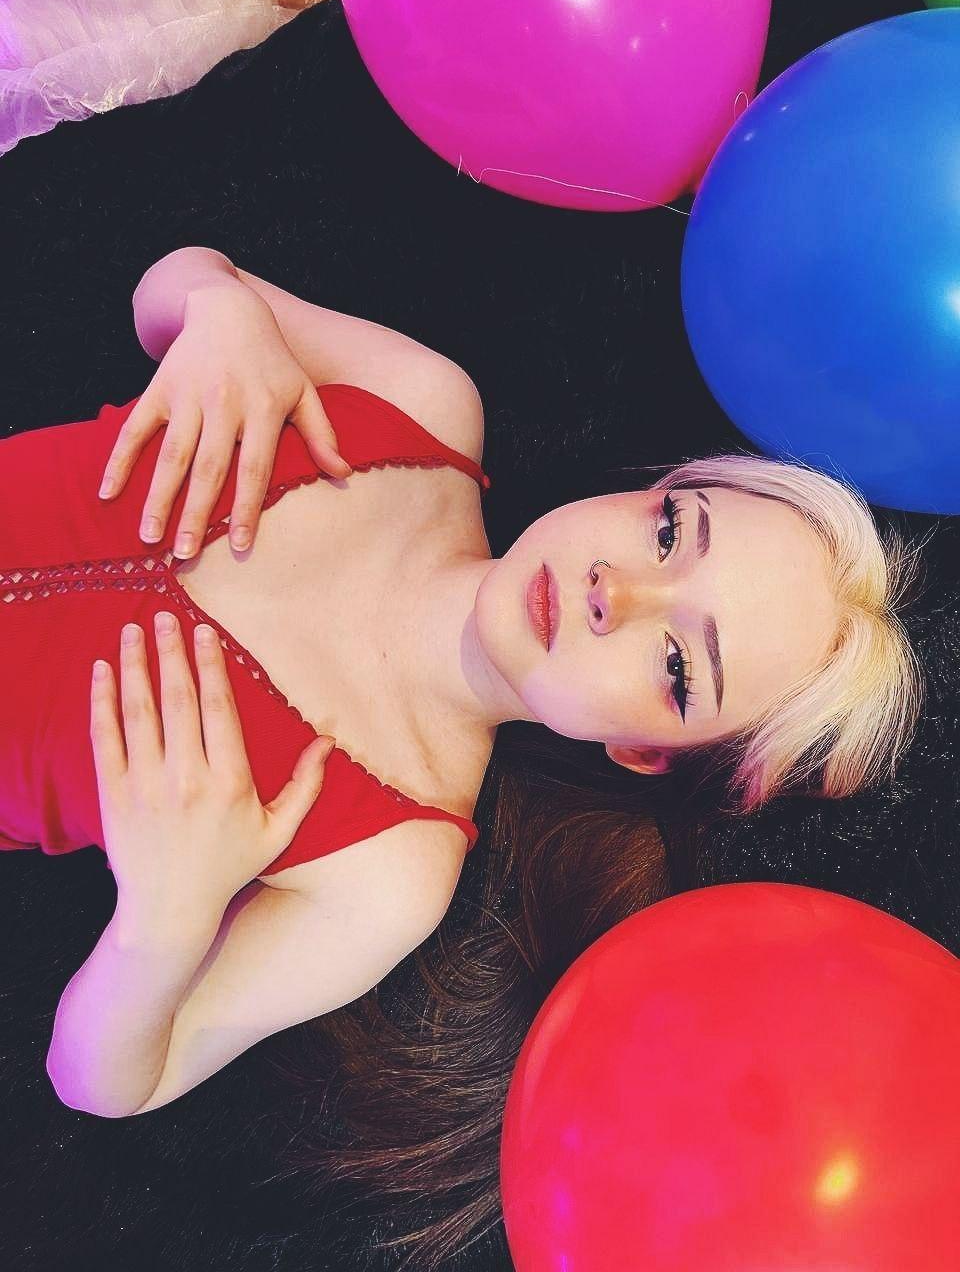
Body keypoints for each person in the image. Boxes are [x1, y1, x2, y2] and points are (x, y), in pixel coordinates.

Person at [0, 245, 924, 1250]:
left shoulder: (387, 867)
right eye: (669, 531)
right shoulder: (423, 405)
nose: (617, 590)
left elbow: (105, 1082)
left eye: (677, 665)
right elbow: (162, 292)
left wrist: (164, 917)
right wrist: (224, 311)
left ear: (643, 752)